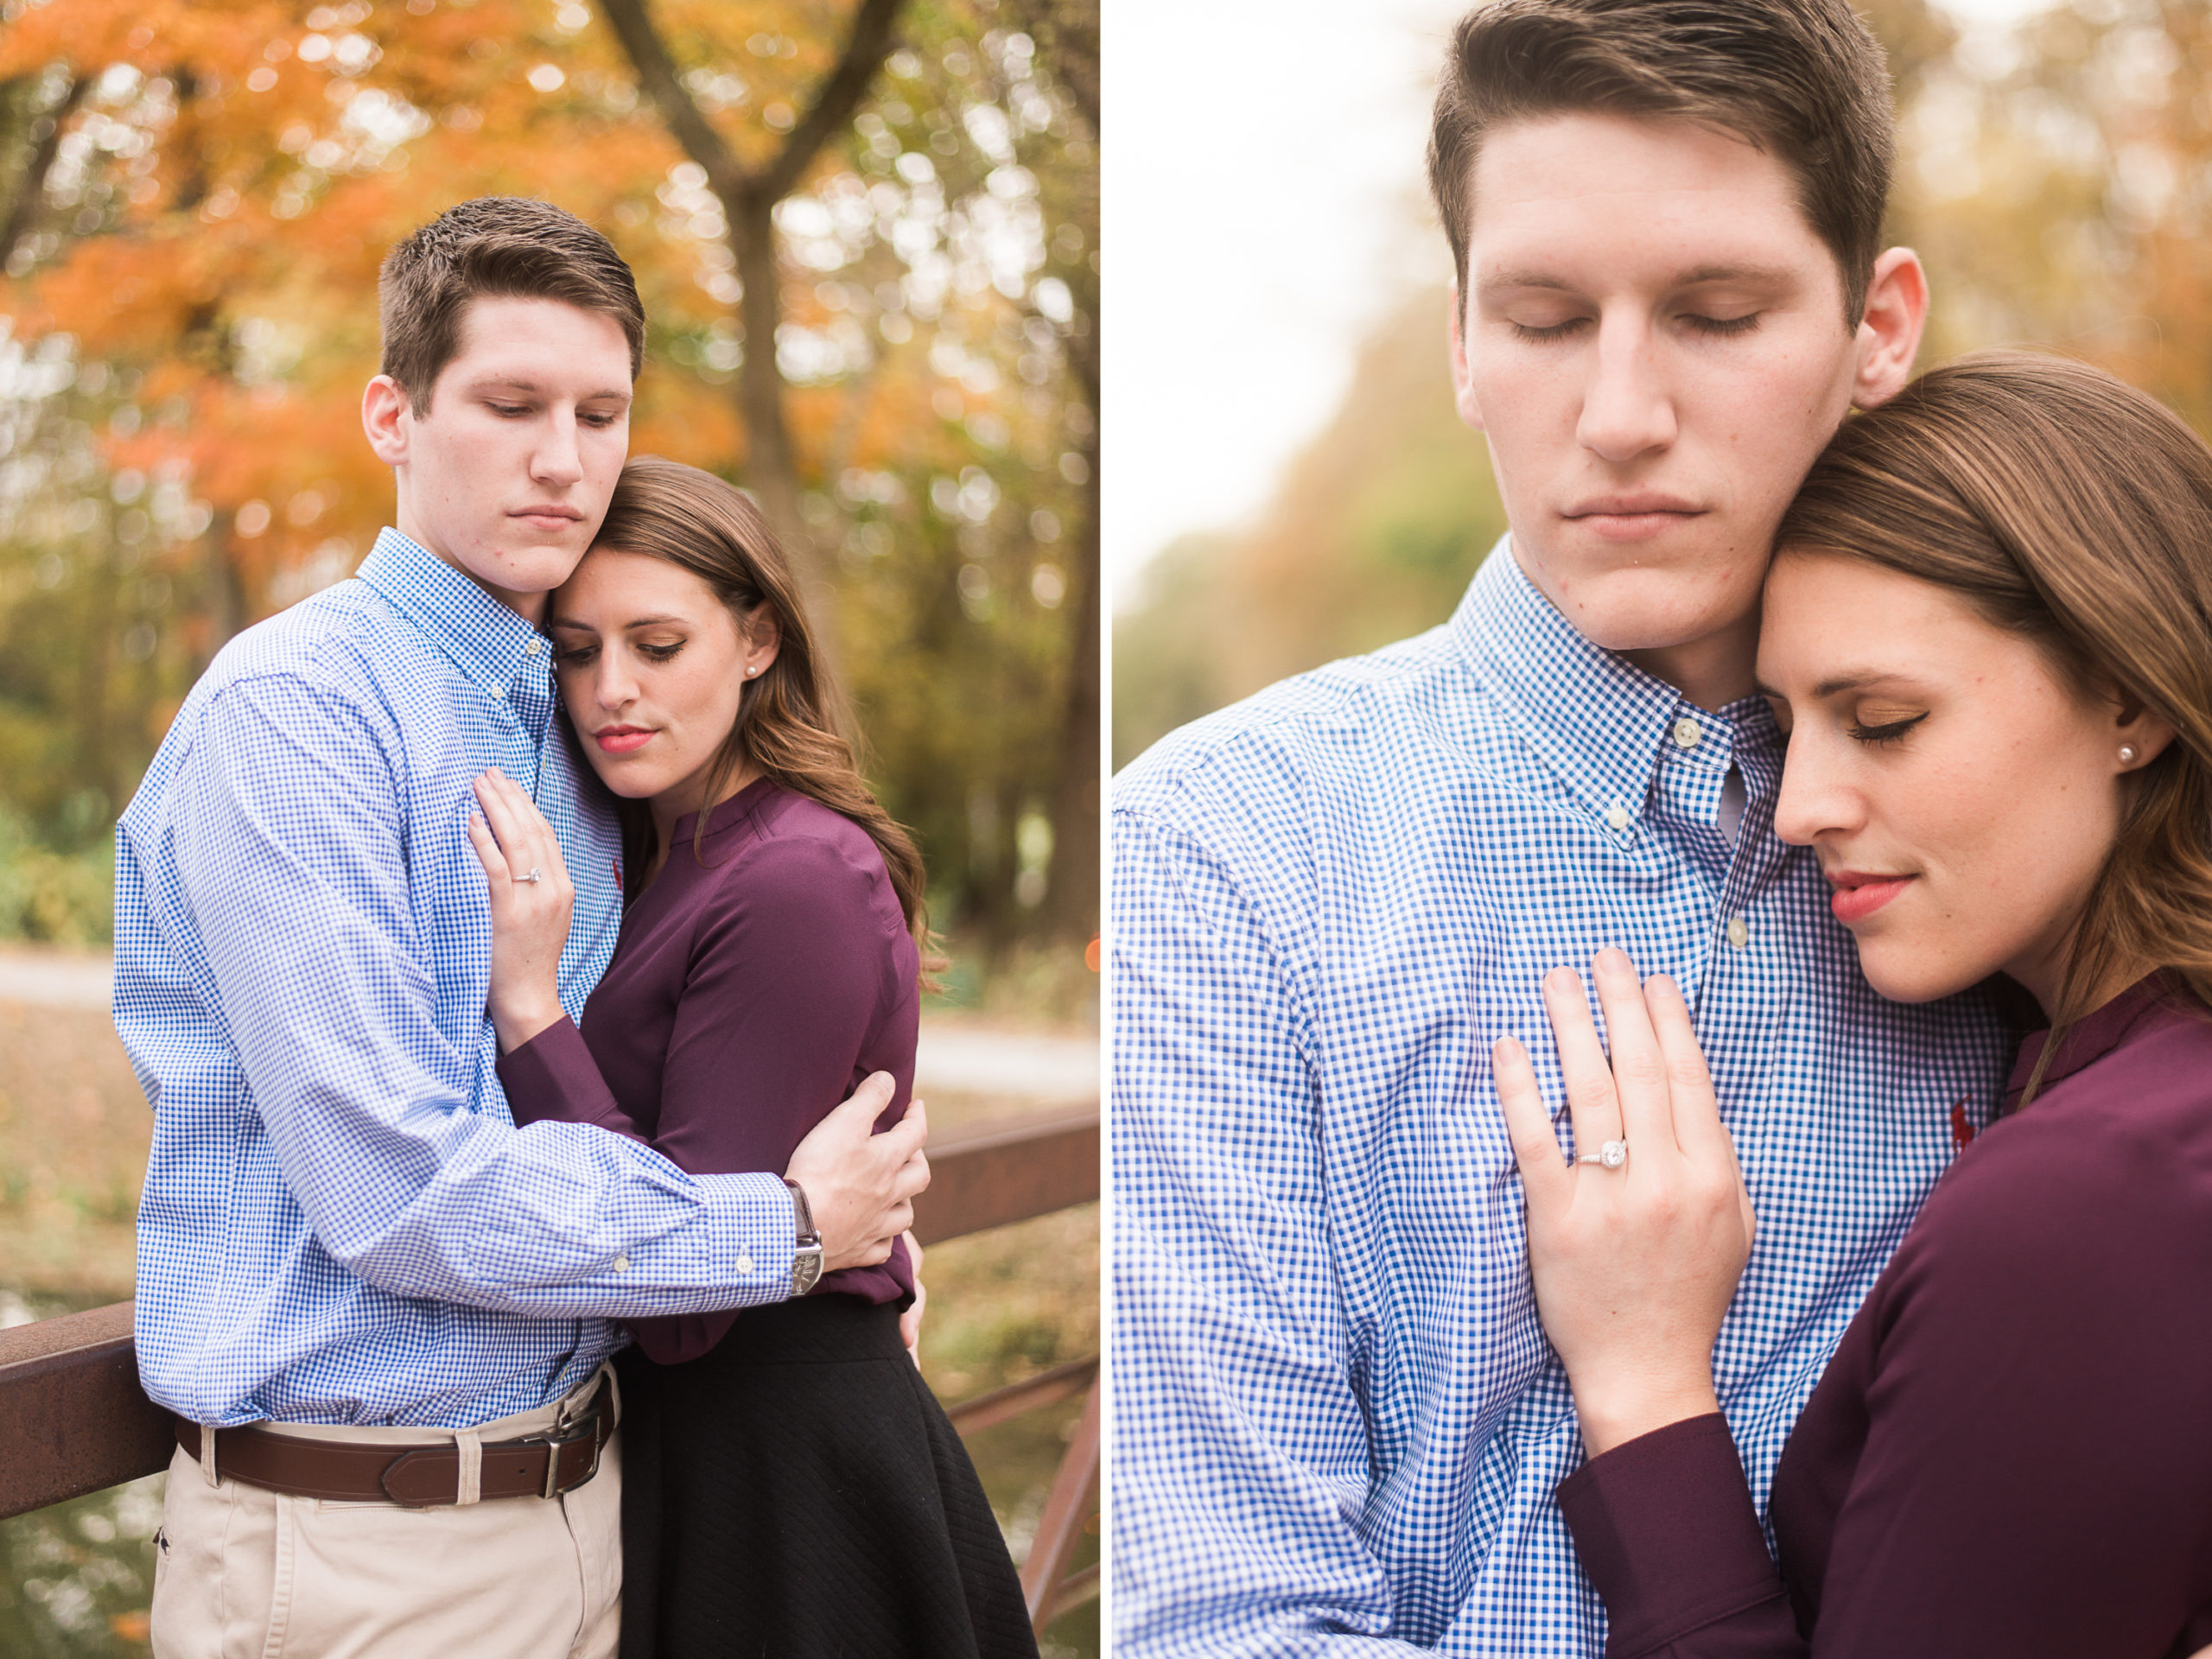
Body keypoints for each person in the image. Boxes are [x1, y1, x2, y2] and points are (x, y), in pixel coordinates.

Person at [1109, 1, 2013, 1651]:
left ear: (1876, 328)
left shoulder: (2020, 842)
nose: (1618, 415)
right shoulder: (1223, 848)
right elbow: (1229, 1625)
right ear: (1459, 340)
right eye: (1541, 318)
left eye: (1717, 314)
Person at [116, 198, 929, 1659]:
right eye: (511, 404)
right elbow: (401, 1186)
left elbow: (689, 1053)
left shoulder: (569, 717)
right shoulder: (299, 718)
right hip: (360, 1553)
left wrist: (866, 1276)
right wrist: (791, 1234)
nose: (565, 458)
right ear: (394, 413)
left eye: (601, 412)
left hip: (598, 1502)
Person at [1498, 351, 2212, 1656]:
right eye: (1783, 727)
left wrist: (1648, 1387)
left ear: (2131, 694)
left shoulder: (2091, 1200)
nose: (1797, 807)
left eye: (1880, 720)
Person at [462, 455, 1038, 1658]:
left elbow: (683, 1313)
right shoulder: (673, 852)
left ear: (758, 640)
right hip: (704, 1453)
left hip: (789, 1481)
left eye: (658, 645)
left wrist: (532, 1015)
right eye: (577, 650)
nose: (611, 689)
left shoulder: (790, 878)